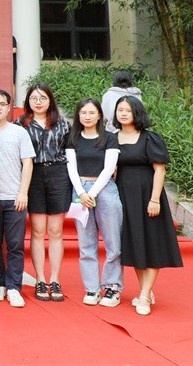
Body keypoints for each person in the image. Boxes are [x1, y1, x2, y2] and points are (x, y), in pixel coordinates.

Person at [113, 95, 183, 316]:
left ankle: (144, 295)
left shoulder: (149, 138)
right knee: (134, 243)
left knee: (151, 242)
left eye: (128, 110)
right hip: (123, 195)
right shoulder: (111, 138)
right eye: (120, 110)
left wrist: (154, 200)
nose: (123, 113)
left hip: (147, 194)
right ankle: (146, 289)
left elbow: (159, 170)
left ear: (137, 112)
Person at [15, 83, 71, 302]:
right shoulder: (20, 124)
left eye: (43, 98)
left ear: (50, 101)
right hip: (33, 175)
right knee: (38, 231)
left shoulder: (63, 124)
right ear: (28, 101)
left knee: (56, 231)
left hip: (58, 174)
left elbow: (71, 152)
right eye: (34, 98)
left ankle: (54, 279)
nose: (38, 102)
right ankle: (40, 279)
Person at [65, 98, 123, 307]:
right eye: (83, 113)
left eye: (91, 113)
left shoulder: (109, 138)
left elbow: (109, 169)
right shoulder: (72, 138)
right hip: (79, 191)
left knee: (113, 242)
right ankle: (91, 288)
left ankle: (112, 287)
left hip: (105, 190)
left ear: (99, 115)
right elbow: (71, 168)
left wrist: (92, 192)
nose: (87, 116)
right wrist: (82, 193)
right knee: (86, 243)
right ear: (78, 115)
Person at [0, 88, 34, 308]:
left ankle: (14, 287)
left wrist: (23, 192)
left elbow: (28, 163)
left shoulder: (19, 132)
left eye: (2, 104)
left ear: (8, 107)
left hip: (14, 198)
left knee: (15, 245)